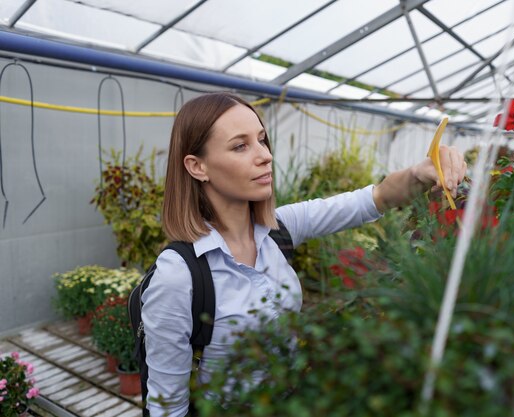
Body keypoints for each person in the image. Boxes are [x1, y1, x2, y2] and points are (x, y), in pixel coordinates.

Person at [142, 92, 467, 416]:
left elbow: (374, 198)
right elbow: (166, 407)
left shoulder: (277, 231)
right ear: (197, 166)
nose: (265, 156)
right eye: (240, 146)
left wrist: (420, 172)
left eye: (262, 140)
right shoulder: (179, 274)